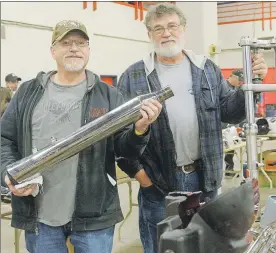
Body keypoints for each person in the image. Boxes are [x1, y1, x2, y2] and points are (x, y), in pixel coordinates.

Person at [116, 3, 268, 253]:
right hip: (158, 183)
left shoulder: (205, 69)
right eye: (158, 28)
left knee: (206, 245)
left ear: (183, 30)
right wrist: (141, 176)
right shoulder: (134, 76)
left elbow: (230, 112)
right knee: (161, 246)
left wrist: (252, 84)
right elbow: (119, 137)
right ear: (149, 35)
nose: (166, 33)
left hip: (204, 177)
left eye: (172, 26)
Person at [1, 20, 162, 253]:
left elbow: (124, 150)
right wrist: (8, 174)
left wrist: (140, 129)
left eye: (80, 43)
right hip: (39, 215)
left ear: (88, 50)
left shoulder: (107, 95)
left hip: (94, 215)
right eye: (65, 43)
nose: (74, 48)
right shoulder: (28, 92)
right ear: (52, 51)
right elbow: (4, 139)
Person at [222, 69, 244, 176]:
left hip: (231, 126)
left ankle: (229, 168)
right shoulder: (223, 87)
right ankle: (227, 169)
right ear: (233, 77)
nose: (240, 82)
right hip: (222, 124)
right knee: (224, 147)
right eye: (239, 80)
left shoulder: (236, 88)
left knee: (231, 147)